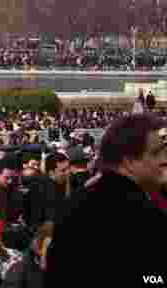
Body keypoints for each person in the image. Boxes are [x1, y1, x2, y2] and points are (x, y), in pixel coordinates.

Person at [46, 113, 167, 287]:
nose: (165, 159)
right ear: (129, 160)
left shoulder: (83, 199)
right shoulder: (133, 213)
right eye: (157, 152)